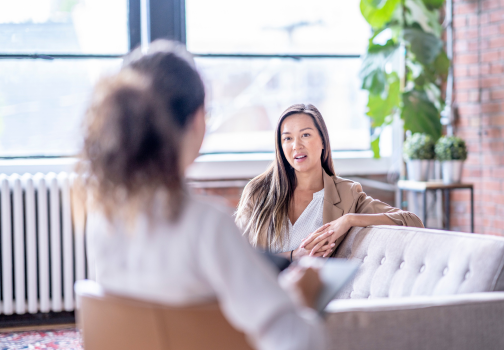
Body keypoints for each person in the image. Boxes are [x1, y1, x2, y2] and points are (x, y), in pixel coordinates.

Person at [77, 41, 325, 350]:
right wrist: (299, 301)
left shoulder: (103, 218)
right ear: (197, 121)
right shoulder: (208, 225)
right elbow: (296, 342)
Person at [235, 104, 424, 261]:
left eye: (306, 135)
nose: (296, 145)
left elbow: (412, 221)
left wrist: (349, 219)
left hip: (316, 299)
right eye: (288, 138)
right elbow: (235, 255)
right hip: (263, 296)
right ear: (281, 146)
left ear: (323, 141)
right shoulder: (258, 192)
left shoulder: (346, 194)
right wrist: (294, 256)